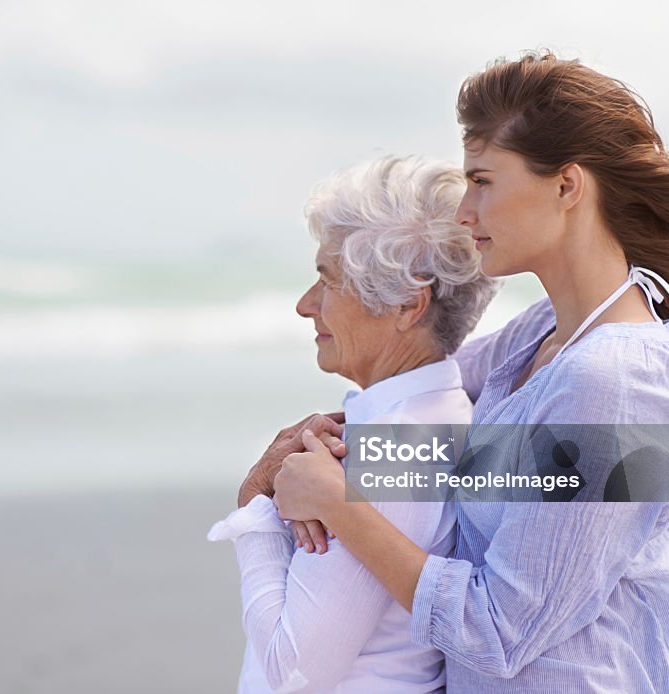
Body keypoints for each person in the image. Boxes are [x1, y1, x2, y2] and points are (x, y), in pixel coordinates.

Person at [273, 51, 669, 692]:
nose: (464, 211)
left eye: (483, 180)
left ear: (567, 187)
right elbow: (425, 393)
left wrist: (336, 502)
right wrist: (317, 440)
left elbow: (495, 632)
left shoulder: (614, 385)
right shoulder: (548, 331)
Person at [208, 155, 498, 693]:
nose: (304, 305)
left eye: (327, 280)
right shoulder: (443, 417)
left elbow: (291, 671)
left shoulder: (391, 450)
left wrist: (253, 504)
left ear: (408, 305)